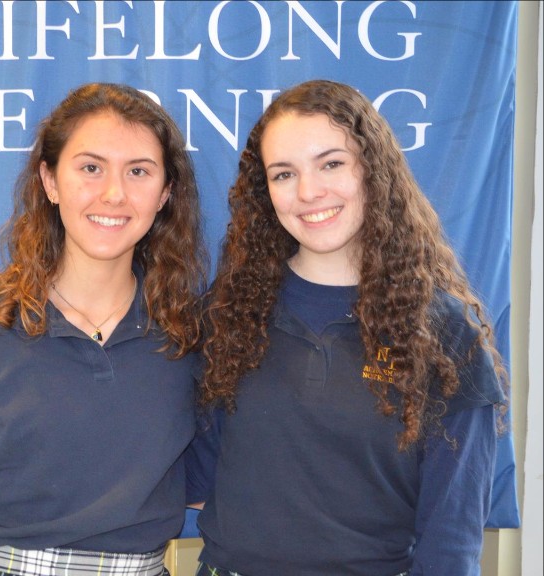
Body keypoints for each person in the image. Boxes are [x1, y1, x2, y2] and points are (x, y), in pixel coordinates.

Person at [186, 79, 509, 576]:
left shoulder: (443, 333)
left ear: (373, 169)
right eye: (283, 174)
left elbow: (453, 535)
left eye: (331, 164)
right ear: (264, 191)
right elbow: (197, 478)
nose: (308, 191)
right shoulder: (227, 313)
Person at [0, 82, 207, 576]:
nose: (114, 194)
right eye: (91, 168)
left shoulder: (192, 335)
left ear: (165, 193)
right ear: (50, 181)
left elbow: (227, 485)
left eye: (138, 171)